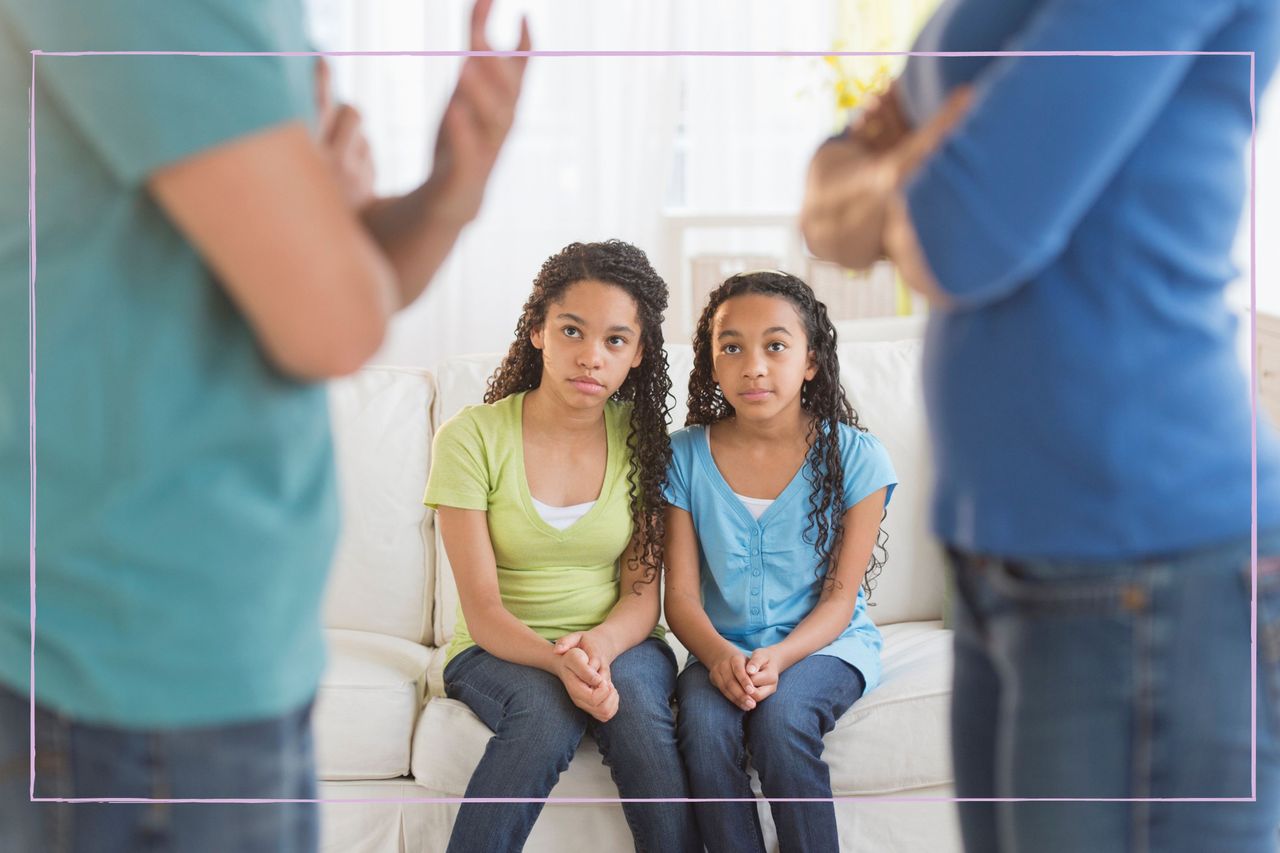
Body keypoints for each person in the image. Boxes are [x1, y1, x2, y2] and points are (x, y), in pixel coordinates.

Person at [0, 0, 529, 849]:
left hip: (226, 647)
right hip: (114, 663)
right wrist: (336, 222)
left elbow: (327, 283)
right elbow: (332, 316)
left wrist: (448, 192)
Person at [800, 2, 1280, 851]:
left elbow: (959, 232)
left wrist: (900, 175)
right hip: (996, 554)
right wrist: (920, 165)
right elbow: (824, 210)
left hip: (1146, 559)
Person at [423, 240, 700, 853]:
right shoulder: (471, 438)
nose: (590, 357)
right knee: (545, 715)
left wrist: (596, 647)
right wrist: (560, 662)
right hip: (500, 647)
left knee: (641, 722)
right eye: (572, 331)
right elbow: (483, 610)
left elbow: (639, 595)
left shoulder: (649, 443)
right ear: (538, 330)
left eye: (615, 341)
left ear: (638, 353)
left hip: (621, 641)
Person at [663, 270, 896, 853]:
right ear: (712, 365)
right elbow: (682, 599)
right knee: (704, 728)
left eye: (775, 345)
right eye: (732, 348)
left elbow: (842, 599)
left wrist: (781, 655)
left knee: (782, 719)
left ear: (810, 361)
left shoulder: (856, 459)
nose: (754, 366)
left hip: (824, 645)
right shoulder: (683, 457)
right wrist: (720, 657)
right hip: (721, 649)